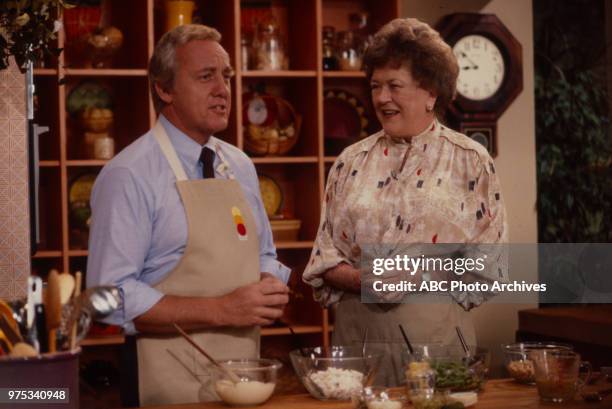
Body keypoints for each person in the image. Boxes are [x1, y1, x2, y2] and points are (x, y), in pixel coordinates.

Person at [86, 24, 290, 406]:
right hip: (165, 383)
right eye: (206, 77)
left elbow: (265, 253)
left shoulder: (240, 165)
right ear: (164, 89)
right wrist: (223, 310)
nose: (223, 90)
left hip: (243, 377)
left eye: (226, 76)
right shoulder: (129, 174)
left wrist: (269, 282)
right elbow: (109, 297)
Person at [303, 18, 508, 385]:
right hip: (357, 346)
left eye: (394, 86)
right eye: (375, 86)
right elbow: (324, 258)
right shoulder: (349, 162)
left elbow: (490, 265)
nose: (382, 98)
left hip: (439, 347)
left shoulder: (470, 161)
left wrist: (421, 276)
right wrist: (362, 278)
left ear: (431, 92)